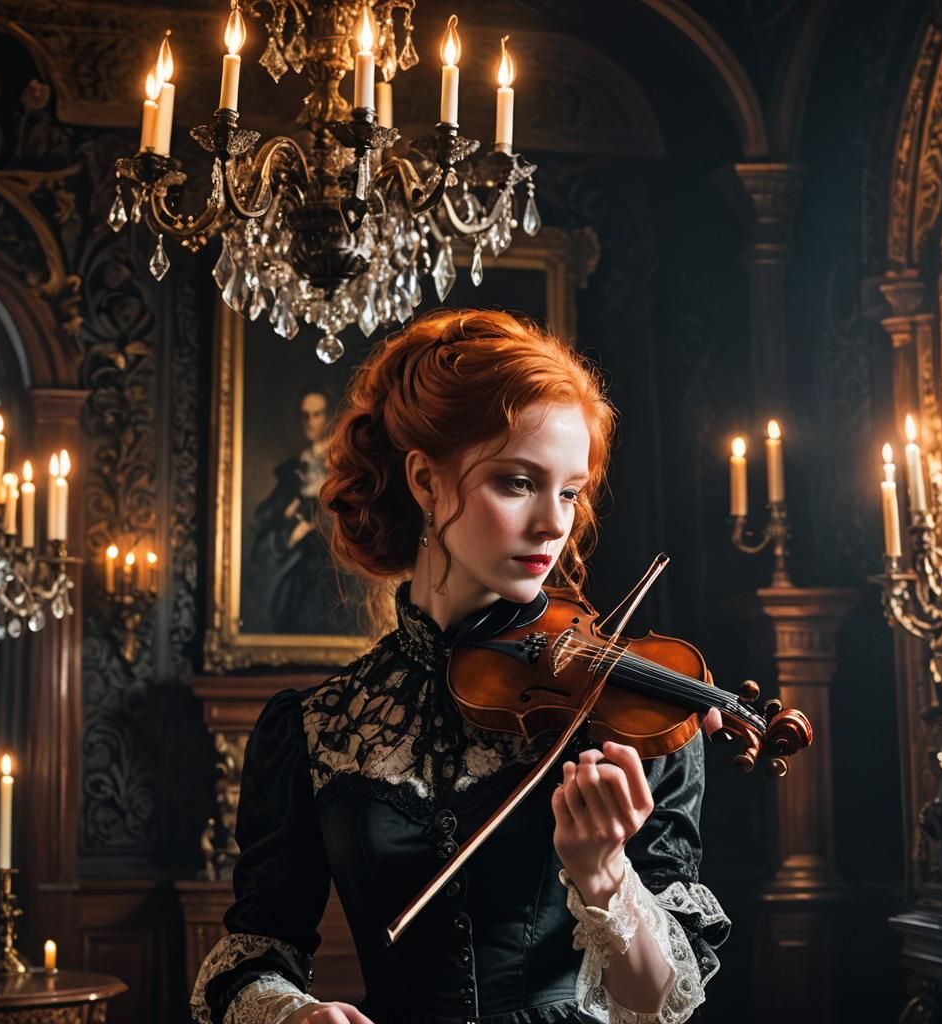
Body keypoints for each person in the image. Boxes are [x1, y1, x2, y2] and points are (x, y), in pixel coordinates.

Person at [191, 309, 730, 1024]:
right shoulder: (316, 727)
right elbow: (254, 954)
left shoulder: (632, 712)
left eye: (569, 491)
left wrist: (604, 873)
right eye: (518, 482)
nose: (554, 523)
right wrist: (294, 1015)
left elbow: (660, 1005)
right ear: (425, 480)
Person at [245, 383, 365, 636]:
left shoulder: (346, 465)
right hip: (302, 568)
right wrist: (291, 525)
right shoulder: (293, 470)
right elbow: (267, 519)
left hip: (338, 567)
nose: (310, 422)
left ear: (329, 416)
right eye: (305, 416)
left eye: (317, 414)